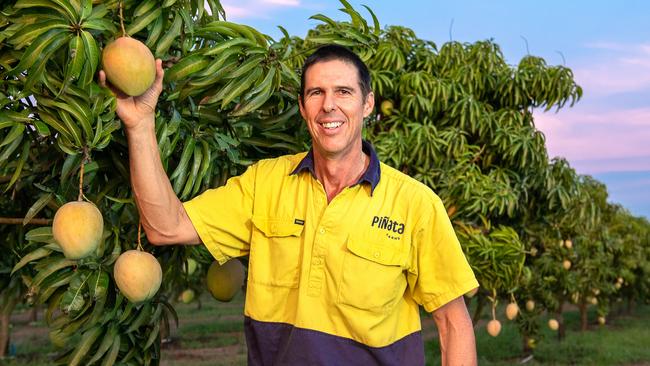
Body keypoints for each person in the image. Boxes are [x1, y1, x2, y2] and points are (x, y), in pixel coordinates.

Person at [101, 44, 479, 365]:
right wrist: (140, 125)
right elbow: (165, 226)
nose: (329, 105)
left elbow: (453, 323)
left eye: (344, 92)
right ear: (302, 107)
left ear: (367, 104)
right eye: (316, 93)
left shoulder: (414, 203)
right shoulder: (266, 184)